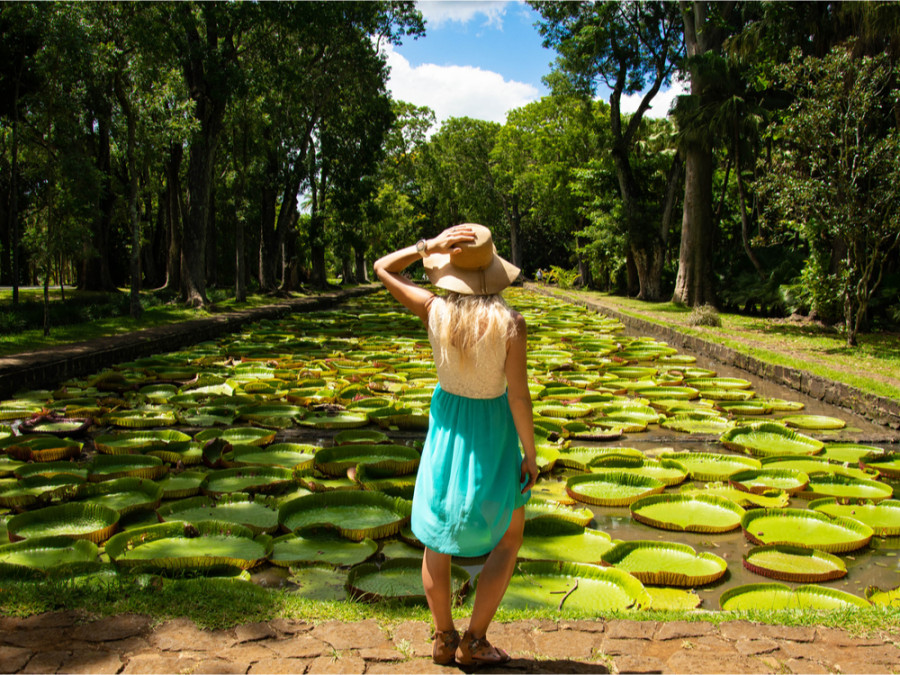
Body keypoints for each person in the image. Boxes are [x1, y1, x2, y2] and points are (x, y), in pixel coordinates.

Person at [373, 223, 539, 666]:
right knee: (508, 538)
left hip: (446, 433)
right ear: (493, 270)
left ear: (448, 269)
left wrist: (424, 247)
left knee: (436, 541)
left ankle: (444, 639)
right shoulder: (511, 324)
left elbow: (382, 268)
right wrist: (531, 453)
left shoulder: (433, 310)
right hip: (494, 435)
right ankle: (475, 641)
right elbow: (519, 396)